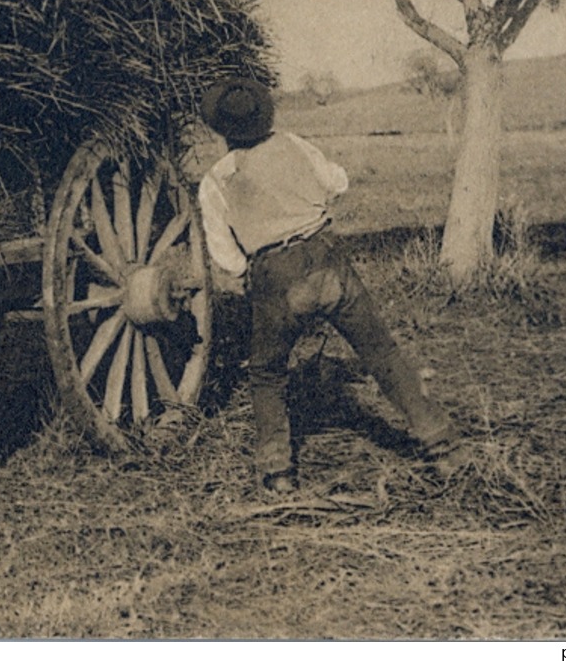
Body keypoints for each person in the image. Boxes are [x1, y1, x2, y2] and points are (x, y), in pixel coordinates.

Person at [196, 77, 470, 493]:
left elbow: (224, 255)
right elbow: (337, 182)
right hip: (328, 258)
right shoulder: (293, 143)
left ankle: (278, 473)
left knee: (268, 373)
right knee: (382, 353)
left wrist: (249, 274)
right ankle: (445, 448)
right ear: (262, 115)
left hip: (276, 274)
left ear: (221, 128)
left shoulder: (216, 179)